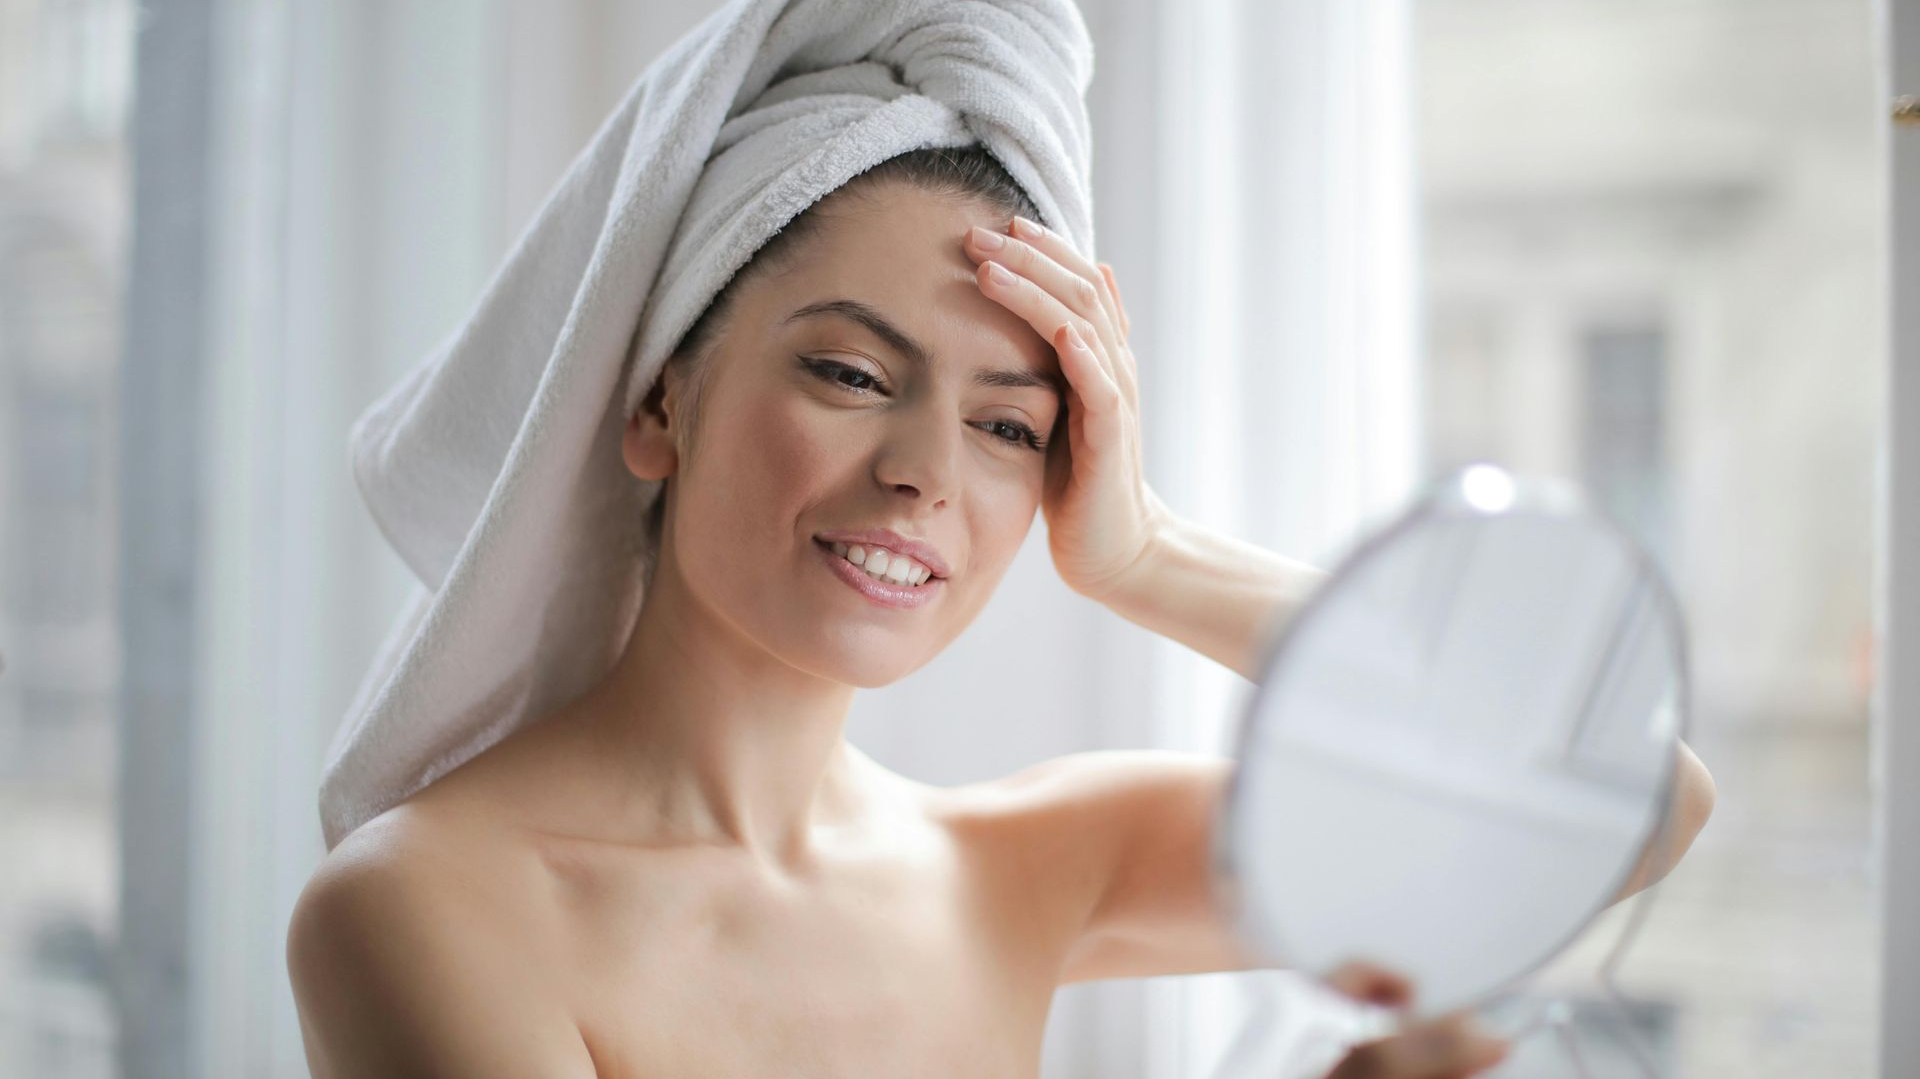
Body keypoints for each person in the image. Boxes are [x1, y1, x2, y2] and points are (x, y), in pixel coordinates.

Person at [287, 145, 1715, 1077]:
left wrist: (1148, 555)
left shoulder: (1022, 864)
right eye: (850, 373)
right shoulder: (428, 906)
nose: (921, 472)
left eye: (1010, 427)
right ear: (662, 397)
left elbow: (1636, 804)